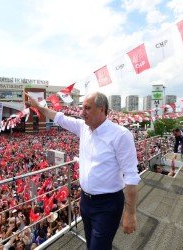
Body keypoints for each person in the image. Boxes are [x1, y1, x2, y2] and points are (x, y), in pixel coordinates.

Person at [26, 91, 140, 250]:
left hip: (108, 204)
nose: (82, 112)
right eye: (82, 108)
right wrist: (39, 107)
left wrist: (130, 213)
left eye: (87, 108)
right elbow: (59, 117)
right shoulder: (83, 128)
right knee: (91, 244)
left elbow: (131, 176)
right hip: (85, 202)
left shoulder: (120, 135)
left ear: (102, 109)